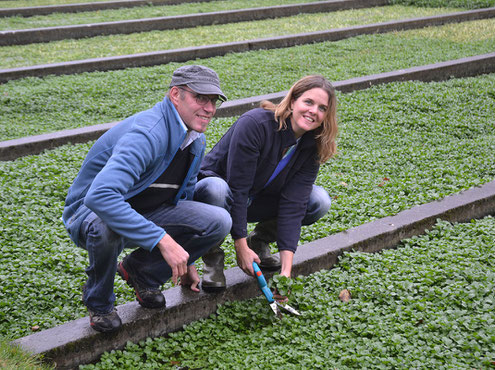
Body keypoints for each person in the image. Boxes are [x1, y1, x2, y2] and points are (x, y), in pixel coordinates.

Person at [62, 65, 232, 333]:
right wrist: (162, 240)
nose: (209, 108)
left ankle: (142, 272)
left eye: (213, 101)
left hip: (146, 210)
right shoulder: (147, 133)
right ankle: (99, 301)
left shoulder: (195, 139)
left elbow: (184, 196)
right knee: (108, 226)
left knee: (218, 220)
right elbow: (101, 197)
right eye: (201, 98)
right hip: (89, 215)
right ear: (176, 94)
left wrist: (187, 261)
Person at [194, 75, 338, 292]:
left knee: (318, 201)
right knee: (217, 189)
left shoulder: (311, 145)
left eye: (322, 108)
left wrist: (286, 273)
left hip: (258, 199)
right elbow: (238, 188)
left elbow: (295, 203)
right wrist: (239, 247)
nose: (313, 111)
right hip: (218, 196)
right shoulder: (256, 124)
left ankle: (259, 241)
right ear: (292, 102)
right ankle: (212, 258)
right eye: (308, 102)